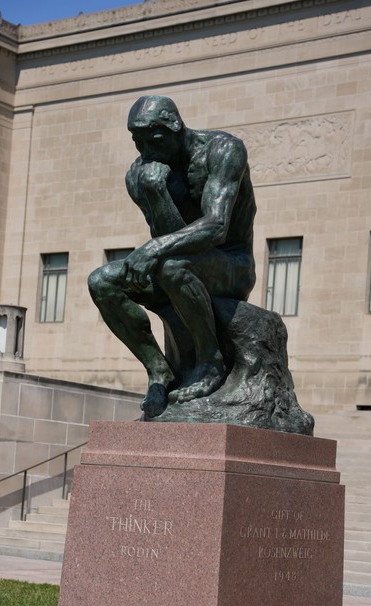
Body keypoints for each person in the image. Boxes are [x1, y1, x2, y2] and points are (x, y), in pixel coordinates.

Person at [88, 95, 257, 417]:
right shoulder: (141, 174)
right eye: (136, 141)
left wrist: (153, 249)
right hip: (181, 263)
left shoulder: (222, 150)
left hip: (231, 265)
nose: (145, 149)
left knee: (172, 264)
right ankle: (158, 371)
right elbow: (167, 235)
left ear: (175, 126)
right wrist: (157, 192)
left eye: (152, 138)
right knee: (102, 282)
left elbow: (216, 226)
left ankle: (210, 362)